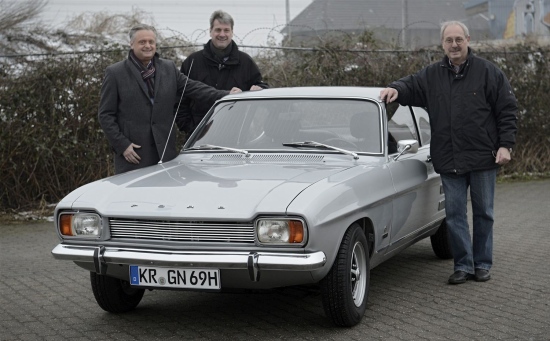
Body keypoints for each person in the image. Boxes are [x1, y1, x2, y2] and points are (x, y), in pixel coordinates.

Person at [380, 21, 518, 285]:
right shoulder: (432, 75)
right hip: (449, 158)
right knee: (454, 215)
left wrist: (505, 145)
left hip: (483, 158)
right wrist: (395, 89)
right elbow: (411, 86)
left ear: (467, 39)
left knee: (484, 213)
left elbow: (507, 110)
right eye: (449, 41)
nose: (454, 45)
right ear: (442, 44)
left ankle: (482, 263)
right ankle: (463, 265)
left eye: (458, 40)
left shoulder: (489, 73)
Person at [99, 24, 241, 174]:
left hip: (165, 154)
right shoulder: (115, 73)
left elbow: (194, 88)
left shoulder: (168, 68)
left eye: (151, 42)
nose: (148, 46)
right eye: (142, 42)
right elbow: (105, 115)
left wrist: (224, 95)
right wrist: (122, 145)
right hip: (133, 156)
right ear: (131, 44)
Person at [176, 10, 269, 135]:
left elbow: (262, 87)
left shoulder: (246, 62)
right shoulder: (193, 62)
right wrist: (191, 129)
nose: (222, 34)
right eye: (218, 30)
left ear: (232, 32)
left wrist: (260, 89)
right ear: (210, 31)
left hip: (236, 135)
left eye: (226, 30)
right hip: (199, 136)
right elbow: (180, 100)